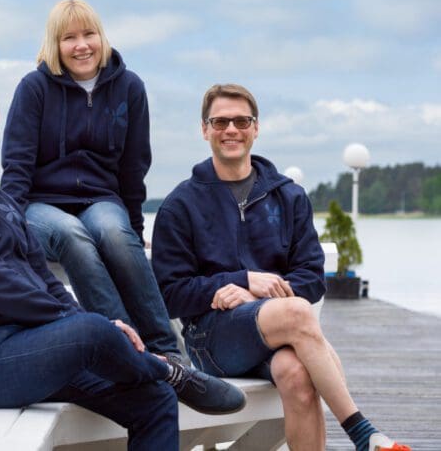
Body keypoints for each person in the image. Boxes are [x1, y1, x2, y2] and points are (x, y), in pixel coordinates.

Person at [0, 82, 246, 451]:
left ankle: (161, 377)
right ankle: (171, 371)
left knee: (152, 399)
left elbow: (42, 277)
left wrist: (90, 323)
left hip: (24, 346)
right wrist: (88, 326)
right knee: (93, 331)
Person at [151, 83, 410, 451]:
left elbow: (312, 278)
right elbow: (170, 295)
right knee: (294, 311)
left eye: (241, 121)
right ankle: (363, 433)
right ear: (205, 129)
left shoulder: (288, 196)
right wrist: (238, 281)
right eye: (220, 121)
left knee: (297, 376)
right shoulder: (180, 205)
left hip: (278, 335)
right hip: (211, 342)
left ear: (256, 128)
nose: (231, 130)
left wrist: (255, 290)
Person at [1, 0, 184, 365]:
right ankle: (131, 352)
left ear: (102, 37)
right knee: (72, 235)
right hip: (41, 203)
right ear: (55, 45)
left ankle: (168, 351)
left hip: (101, 199)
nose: (81, 45)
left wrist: (132, 227)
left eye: (89, 34)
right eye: (69, 37)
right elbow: (17, 163)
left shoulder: (129, 88)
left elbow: (134, 165)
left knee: (114, 234)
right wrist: (9, 226)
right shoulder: (34, 88)